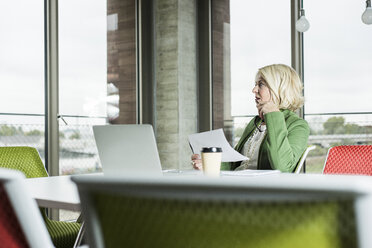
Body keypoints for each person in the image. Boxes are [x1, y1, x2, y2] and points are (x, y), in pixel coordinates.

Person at [192, 64, 310, 173]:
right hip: (237, 184)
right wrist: (210, 164)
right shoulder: (256, 122)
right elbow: (236, 164)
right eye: (255, 84)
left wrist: (273, 114)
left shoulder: (298, 125)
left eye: (261, 84)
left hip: (260, 191)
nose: (254, 90)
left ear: (279, 88)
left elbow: (283, 168)